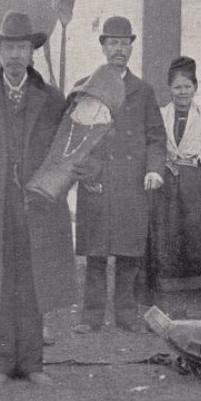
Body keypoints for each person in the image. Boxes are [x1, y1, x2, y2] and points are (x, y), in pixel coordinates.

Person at [0, 11, 77, 384]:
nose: (16, 55)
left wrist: (60, 187)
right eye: (9, 48)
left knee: (34, 282)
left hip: (38, 209)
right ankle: (1, 363)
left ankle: (33, 363)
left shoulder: (52, 99)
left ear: (32, 53)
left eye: (22, 47)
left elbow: (68, 153)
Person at [70, 17, 166, 334]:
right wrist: (86, 173)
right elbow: (73, 138)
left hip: (131, 183)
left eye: (124, 44)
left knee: (128, 253)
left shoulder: (143, 91)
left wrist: (154, 169)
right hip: (97, 182)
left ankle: (126, 315)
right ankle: (91, 316)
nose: (118, 49)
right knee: (96, 253)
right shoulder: (86, 87)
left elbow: (156, 137)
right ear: (103, 46)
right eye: (113, 43)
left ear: (131, 47)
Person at [147, 56, 201, 293]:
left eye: (187, 87)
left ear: (196, 88)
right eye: (177, 87)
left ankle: (197, 294)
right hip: (165, 190)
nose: (182, 92)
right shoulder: (159, 117)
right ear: (169, 89)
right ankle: (165, 294)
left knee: (196, 240)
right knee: (165, 237)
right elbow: (151, 146)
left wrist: (193, 175)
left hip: (194, 194)